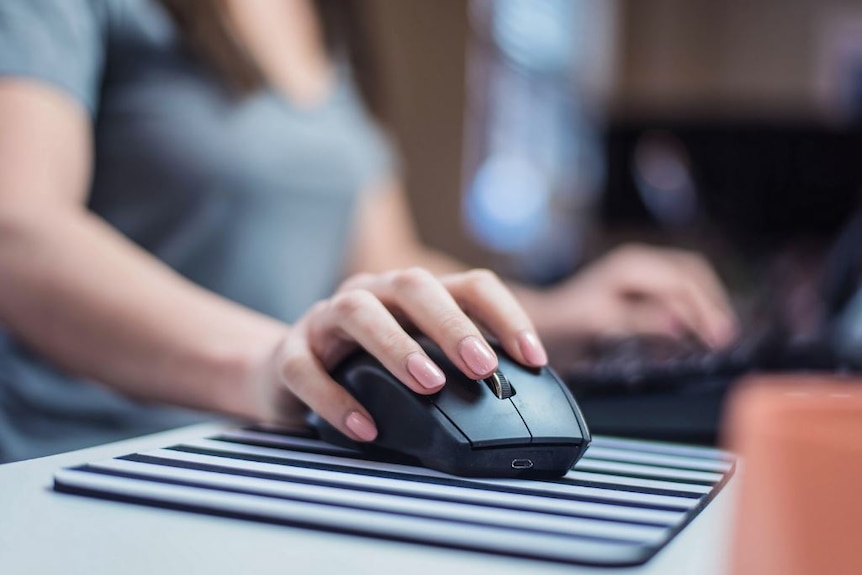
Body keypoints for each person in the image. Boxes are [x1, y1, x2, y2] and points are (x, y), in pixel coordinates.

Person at [0, 0, 737, 462]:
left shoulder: (326, 19)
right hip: (92, 458)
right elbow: (20, 227)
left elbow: (382, 263)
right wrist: (278, 363)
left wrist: (553, 318)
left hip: (274, 450)